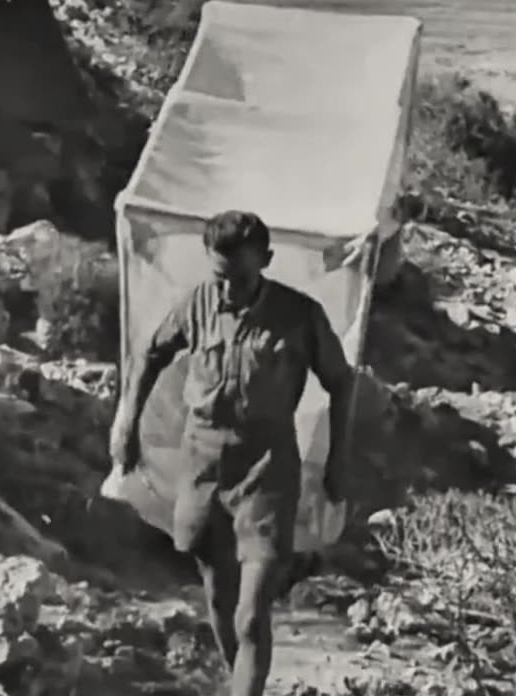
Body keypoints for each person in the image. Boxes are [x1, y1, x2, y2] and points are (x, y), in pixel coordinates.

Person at [109, 210, 354, 696]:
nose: (227, 290)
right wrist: (127, 419)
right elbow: (149, 355)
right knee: (220, 602)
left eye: (239, 278)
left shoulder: (299, 316)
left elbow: (342, 383)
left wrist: (337, 462)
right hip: (202, 465)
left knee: (250, 613)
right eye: (219, 276)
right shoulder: (198, 303)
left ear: (265, 260)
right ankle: (243, 682)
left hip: (266, 472)